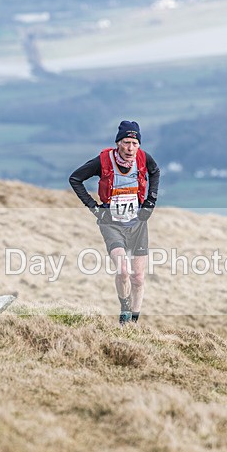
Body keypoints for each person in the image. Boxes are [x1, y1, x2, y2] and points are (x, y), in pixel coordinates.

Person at [69, 120, 161, 325]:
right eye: (126, 142)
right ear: (118, 143)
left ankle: (133, 323)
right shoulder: (103, 161)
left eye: (135, 143)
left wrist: (150, 201)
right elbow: (75, 179)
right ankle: (124, 309)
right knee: (123, 270)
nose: (130, 148)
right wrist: (94, 209)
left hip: (137, 222)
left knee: (138, 278)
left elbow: (155, 172)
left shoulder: (144, 158)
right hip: (111, 223)